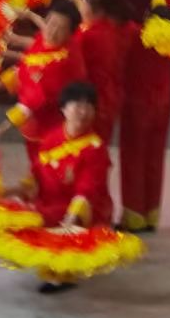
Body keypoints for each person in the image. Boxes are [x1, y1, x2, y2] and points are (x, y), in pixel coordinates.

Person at [30, 82, 112, 294]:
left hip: (83, 207)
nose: (84, 112)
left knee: (52, 219)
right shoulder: (51, 139)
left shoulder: (95, 147)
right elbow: (36, 173)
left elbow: (88, 187)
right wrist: (18, 191)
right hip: (50, 201)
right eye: (78, 106)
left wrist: (72, 215)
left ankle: (63, 273)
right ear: (64, 109)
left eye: (89, 107)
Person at [0, 0, 87, 167]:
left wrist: (0, 129)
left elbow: (32, 99)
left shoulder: (61, 63)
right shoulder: (51, 41)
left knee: (48, 169)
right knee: (37, 166)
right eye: (50, 23)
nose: (52, 31)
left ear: (70, 34)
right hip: (37, 123)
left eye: (60, 28)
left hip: (53, 127)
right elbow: (34, 49)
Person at [119, 0, 170, 233]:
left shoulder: (136, 35)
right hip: (162, 107)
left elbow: (114, 9)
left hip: (137, 106)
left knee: (134, 159)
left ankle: (134, 216)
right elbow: (161, 11)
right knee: (155, 159)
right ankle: (152, 214)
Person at [74, 0, 136, 149]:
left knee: (86, 147)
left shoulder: (88, 36)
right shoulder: (116, 30)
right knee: (99, 146)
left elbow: (63, 52)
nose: (80, 6)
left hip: (90, 100)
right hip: (109, 98)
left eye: (83, 2)